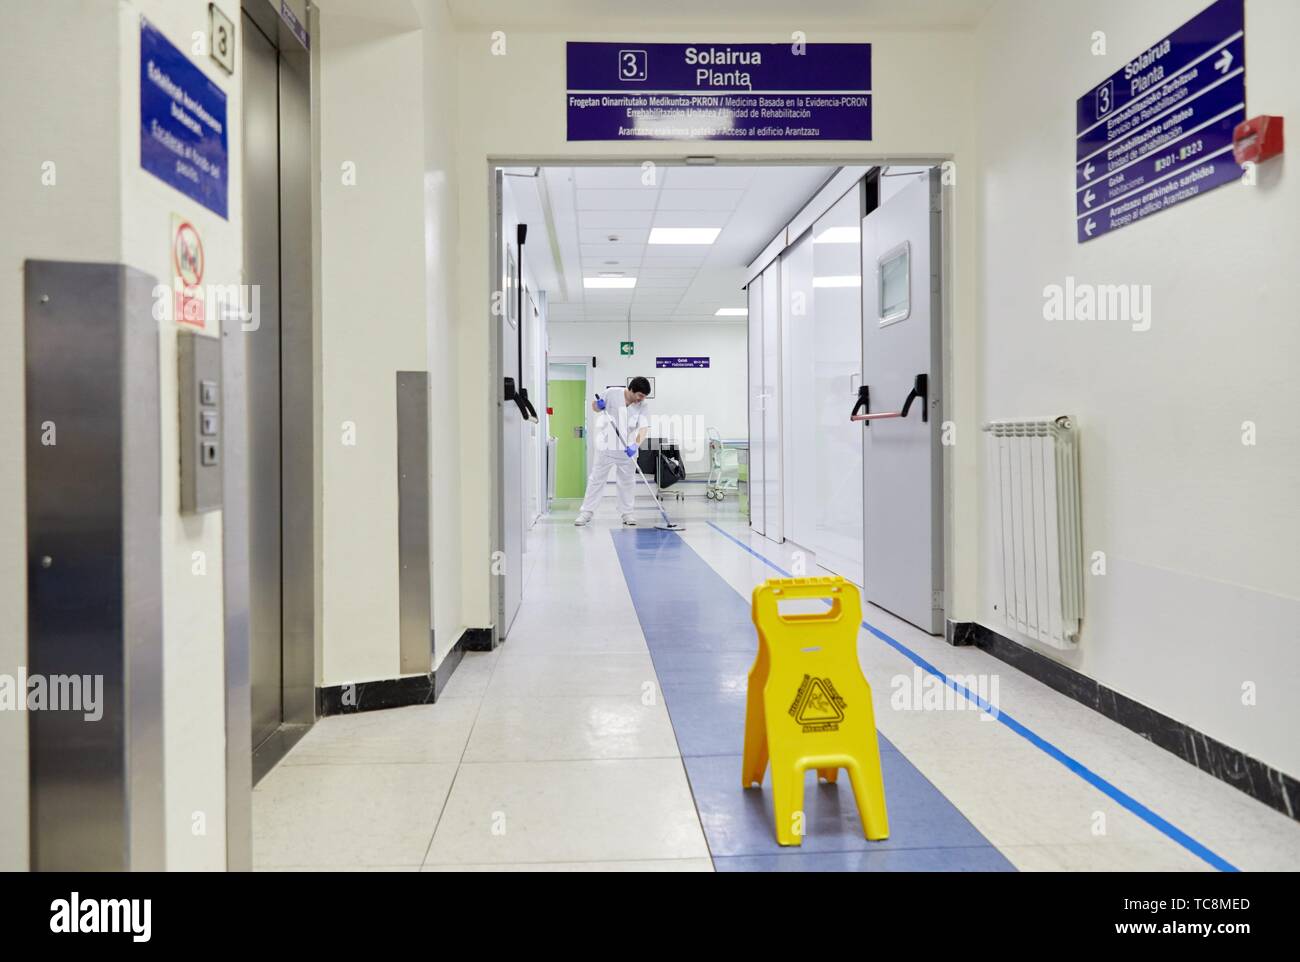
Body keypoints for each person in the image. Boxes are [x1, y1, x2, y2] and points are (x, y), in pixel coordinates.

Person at [575, 377, 652, 527]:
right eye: (640, 395)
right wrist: (598, 405)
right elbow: (594, 407)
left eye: (643, 396)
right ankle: (586, 512)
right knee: (596, 479)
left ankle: (627, 513)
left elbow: (644, 428)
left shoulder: (642, 405)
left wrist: (635, 445)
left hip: (627, 448)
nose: (641, 399)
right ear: (631, 389)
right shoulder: (611, 393)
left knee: (627, 482)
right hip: (607, 446)